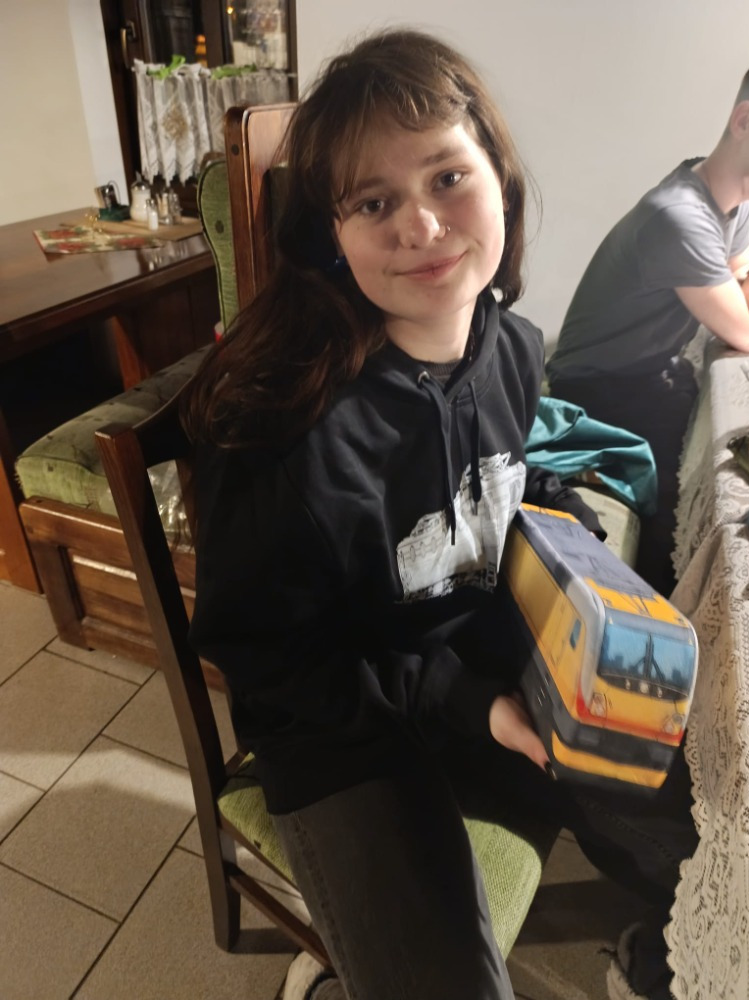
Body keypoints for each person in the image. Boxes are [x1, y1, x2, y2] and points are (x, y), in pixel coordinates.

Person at [184, 29, 698, 1000]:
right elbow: (270, 659)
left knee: (696, 825)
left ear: (500, 181)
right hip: (343, 730)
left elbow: (501, 487)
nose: (421, 226)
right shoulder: (284, 427)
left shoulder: (514, 349)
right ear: (330, 236)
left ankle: (661, 956)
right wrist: (467, 703)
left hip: (482, 662)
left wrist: (578, 563)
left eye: (447, 178)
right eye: (373, 202)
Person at [547, 67, 749, 597]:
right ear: (744, 121)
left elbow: (740, 293)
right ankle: (656, 605)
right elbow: (745, 331)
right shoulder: (679, 217)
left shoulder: (734, 204)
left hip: (649, 370)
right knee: (687, 491)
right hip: (597, 386)